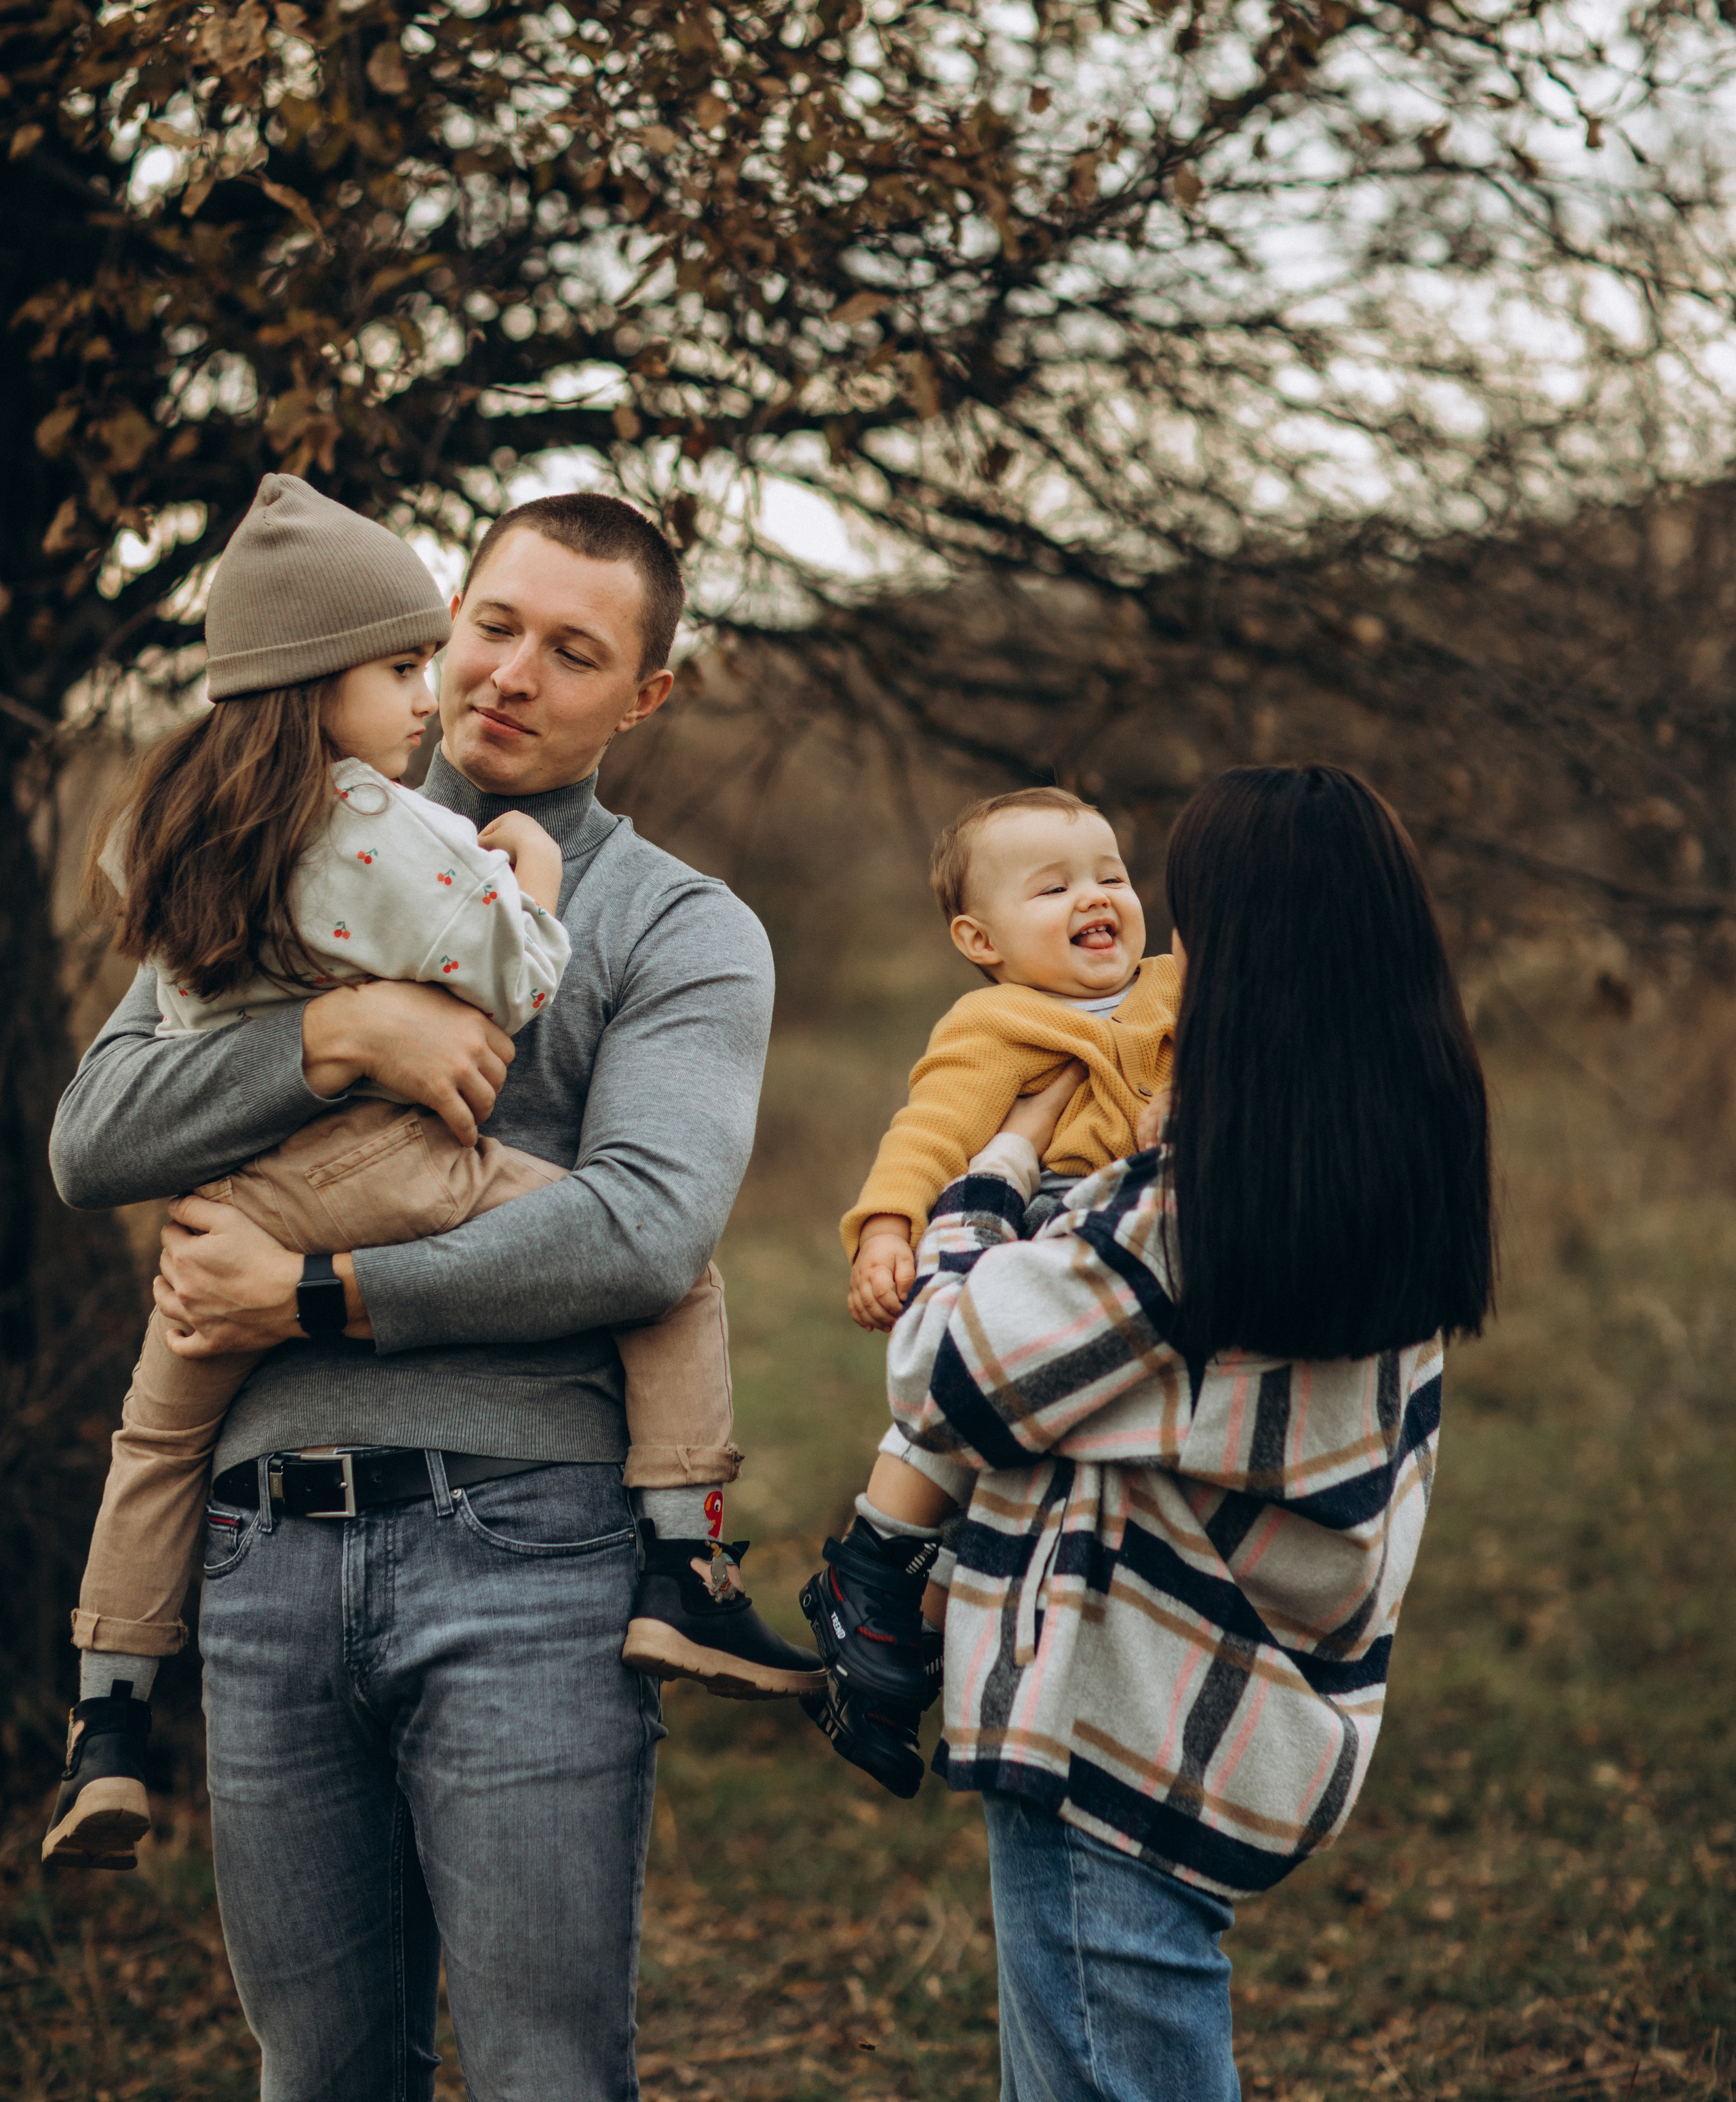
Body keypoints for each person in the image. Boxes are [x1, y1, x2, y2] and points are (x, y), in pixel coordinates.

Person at [48, 482, 812, 2099]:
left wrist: (318, 1296)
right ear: (435, 624)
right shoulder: (264, 844)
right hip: (263, 1557)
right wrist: (335, 1039)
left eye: (574, 651)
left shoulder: (680, 928)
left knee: (542, 2069)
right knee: (318, 2072)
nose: (511, 674)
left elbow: (644, 1231)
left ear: (644, 694)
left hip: (527, 1552)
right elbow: (93, 1134)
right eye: (491, 625)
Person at [882, 764, 1495, 2101]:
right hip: (1263, 1692)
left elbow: (935, 1369)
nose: (1163, 952)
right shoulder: (1400, 1166)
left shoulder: (1185, 1217)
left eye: (1185, 926)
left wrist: (994, 1166)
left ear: (1241, 957)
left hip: (1115, 1717)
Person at [802, 787, 1181, 1792]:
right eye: (1053, 887)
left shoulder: (1176, 986)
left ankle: (906, 1652)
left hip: (1138, 1240)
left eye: (1111, 875)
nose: (1095, 897)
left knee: (1009, 1484)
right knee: (954, 1411)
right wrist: (885, 1227)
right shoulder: (996, 1022)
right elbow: (927, 1135)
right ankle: (875, 1570)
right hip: (1033, 1227)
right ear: (980, 937)